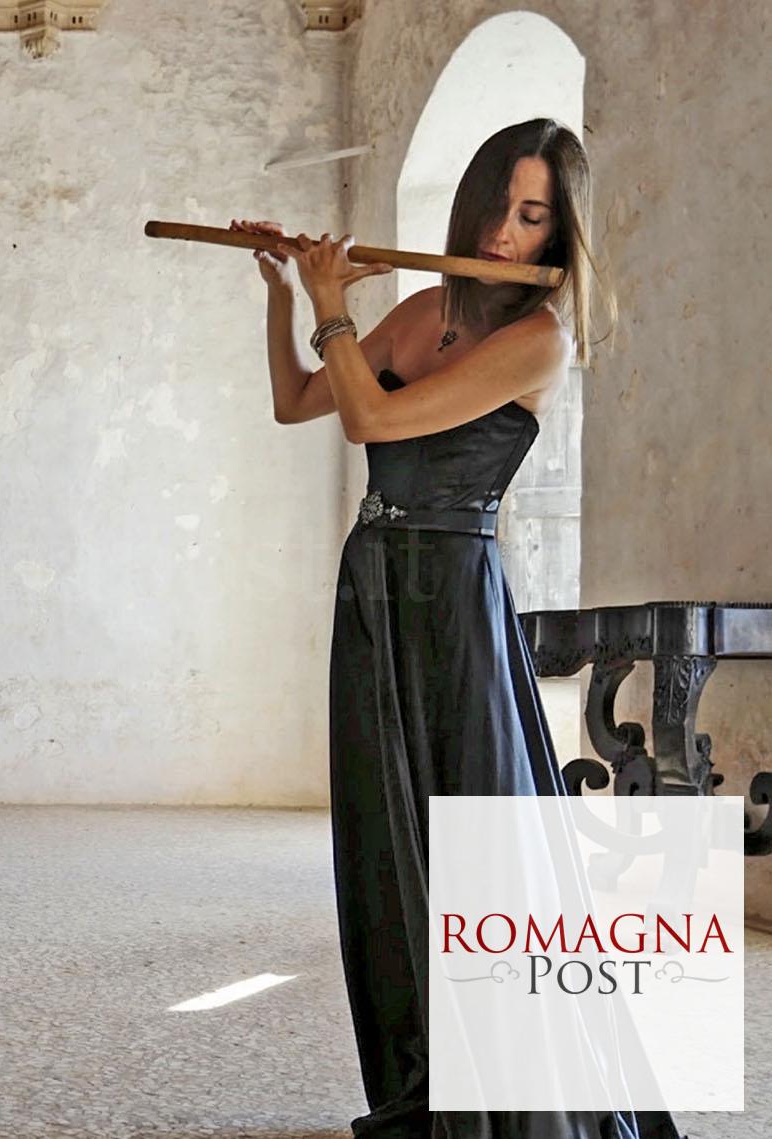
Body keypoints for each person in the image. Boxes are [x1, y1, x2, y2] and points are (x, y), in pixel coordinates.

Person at [240, 118, 680, 1138]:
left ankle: (513, 1092)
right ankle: (425, 1078)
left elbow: (373, 420)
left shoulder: (540, 338)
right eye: (496, 205)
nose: (503, 233)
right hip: (374, 587)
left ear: (558, 233)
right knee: (386, 826)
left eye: (532, 216)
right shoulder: (425, 310)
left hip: (452, 590)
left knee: (478, 833)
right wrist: (284, 292)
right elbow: (297, 400)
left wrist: (333, 304)